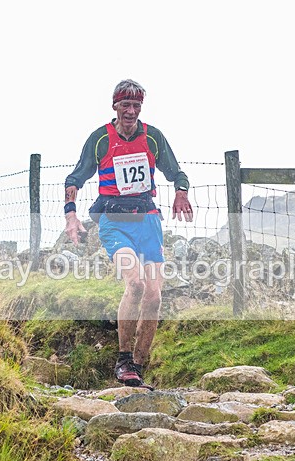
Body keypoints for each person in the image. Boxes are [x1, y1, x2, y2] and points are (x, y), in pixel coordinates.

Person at [63, 79, 193, 389]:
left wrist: (181, 192)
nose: (131, 112)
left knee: (154, 296)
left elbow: (177, 172)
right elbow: (75, 177)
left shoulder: (152, 138)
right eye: (126, 106)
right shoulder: (100, 140)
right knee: (134, 284)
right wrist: (71, 215)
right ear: (115, 107)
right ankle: (123, 360)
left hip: (148, 220)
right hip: (114, 221)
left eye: (136, 106)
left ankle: (138, 364)